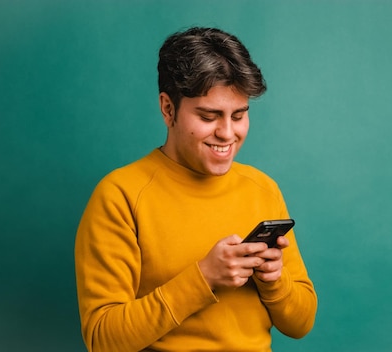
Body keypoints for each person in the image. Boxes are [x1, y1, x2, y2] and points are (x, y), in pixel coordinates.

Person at [75, 27, 317, 352]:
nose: (227, 133)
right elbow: (102, 339)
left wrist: (274, 281)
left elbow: (301, 324)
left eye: (239, 115)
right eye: (208, 116)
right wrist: (203, 278)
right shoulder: (120, 195)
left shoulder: (262, 189)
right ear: (168, 109)